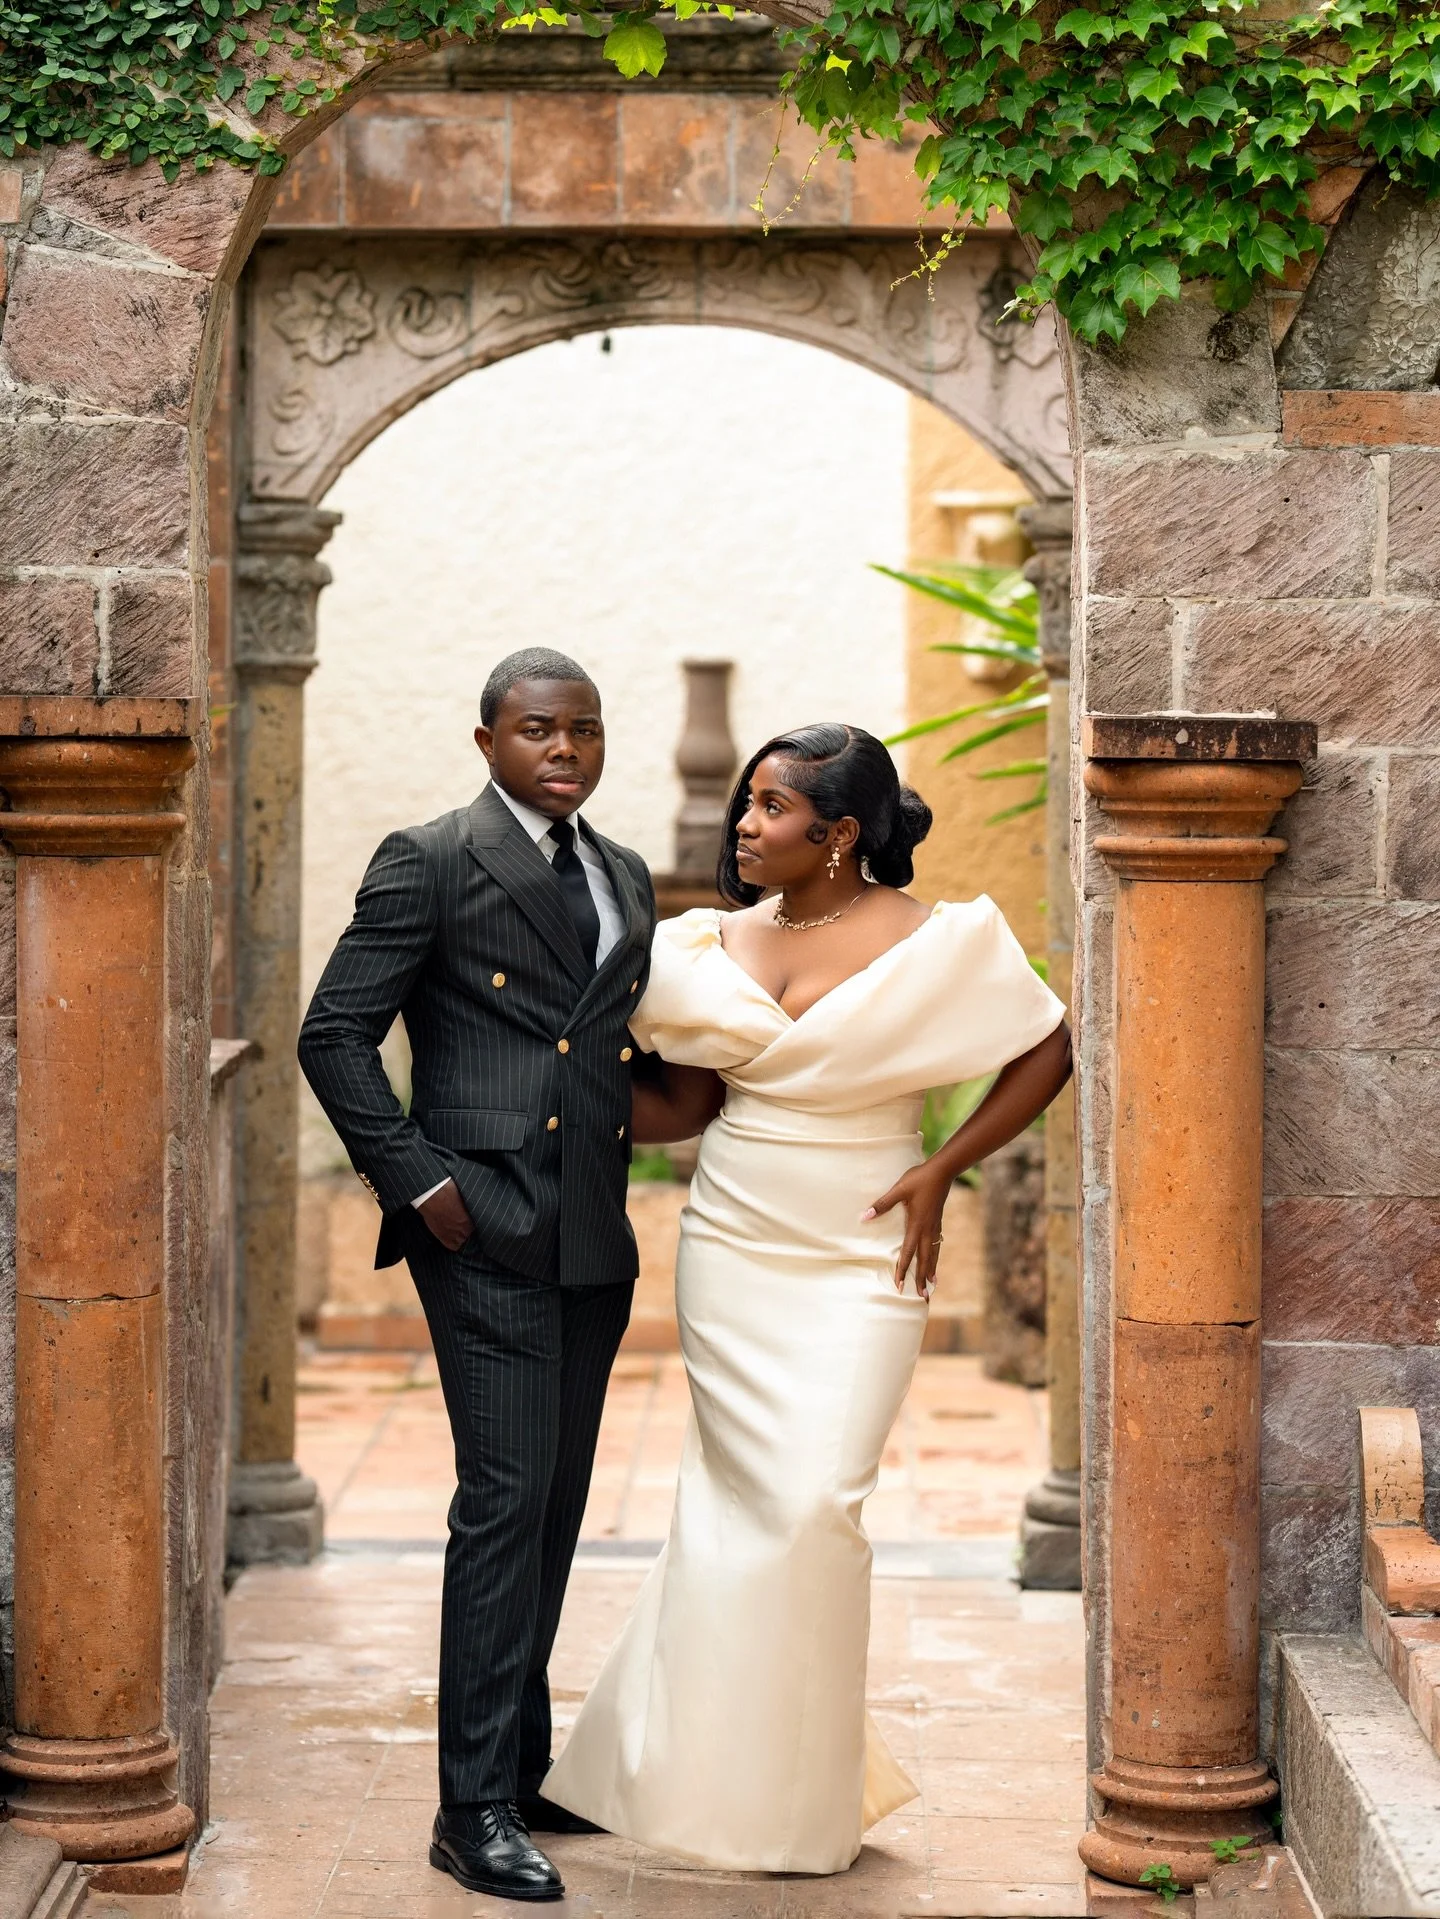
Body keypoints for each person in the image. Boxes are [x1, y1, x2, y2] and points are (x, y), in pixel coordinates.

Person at [541, 722, 1072, 1874]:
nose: (744, 822)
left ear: (839, 835)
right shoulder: (701, 944)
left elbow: (1048, 1045)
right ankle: (701, 1774)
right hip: (733, 1240)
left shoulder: (944, 943)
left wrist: (944, 1165)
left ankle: (792, 1793)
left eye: (771, 807)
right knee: (731, 1508)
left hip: (859, 1249)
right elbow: (678, 1102)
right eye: (746, 800)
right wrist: (535, 1083)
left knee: (815, 1508)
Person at [298, 647, 657, 1904]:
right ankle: (472, 1808)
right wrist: (416, 1178)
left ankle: (516, 1757)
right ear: (488, 739)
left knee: (555, 1504)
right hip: (482, 1224)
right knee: (503, 1500)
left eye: (585, 731)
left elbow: (604, 1054)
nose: (564, 750)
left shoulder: (620, 872)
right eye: (538, 730)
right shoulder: (431, 856)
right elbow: (332, 1030)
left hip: (590, 1236)